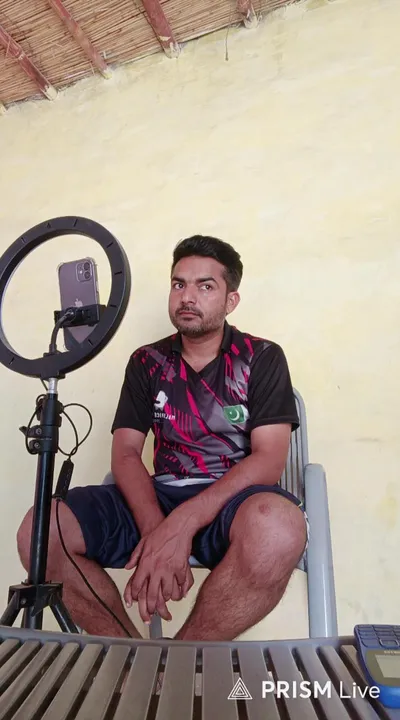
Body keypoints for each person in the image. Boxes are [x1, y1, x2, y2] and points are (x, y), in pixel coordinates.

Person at [17, 235, 308, 641]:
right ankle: (130, 655)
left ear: (231, 301)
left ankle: (182, 659)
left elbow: (268, 460)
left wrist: (182, 525)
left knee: (278, 528)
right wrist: (158, 529)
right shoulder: (147, 361)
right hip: (159, 498)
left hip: (233, 504)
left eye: (205, 286)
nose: (187, 297)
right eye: (178, 284)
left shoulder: (261, 357)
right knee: (41, 531)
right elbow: (126, 454)